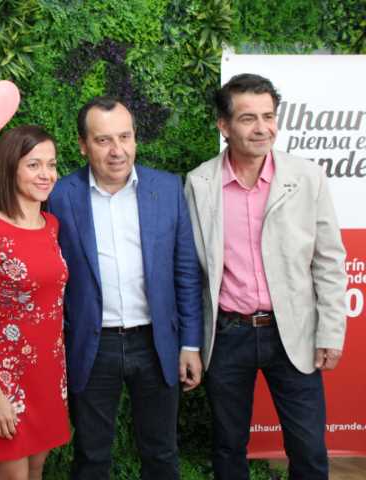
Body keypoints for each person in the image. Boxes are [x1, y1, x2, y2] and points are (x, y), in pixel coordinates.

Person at [184, 73, 347, 480]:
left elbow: (329, 260)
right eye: (248, 118)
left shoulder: (306, 177)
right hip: (227, 334)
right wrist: (190, 343)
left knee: (309, 450)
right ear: (223, 126)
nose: (262, 128)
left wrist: (330, 331)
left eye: (269, 116)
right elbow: (191, 271)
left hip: (292, 333)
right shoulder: (199, 183)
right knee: (228, 447)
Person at [48, 96, 203, 479]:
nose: (117, 150)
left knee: (161, 453)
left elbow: (185, 271)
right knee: (91, 456)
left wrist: (190, 344)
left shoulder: (167, 189)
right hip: (92, 343)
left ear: (135, 138)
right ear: (83, 145)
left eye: (125, 137)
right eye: (103, 140)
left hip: (155, 341)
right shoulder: (60, 196)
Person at [0, 125, 70, 479]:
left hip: (48, 374)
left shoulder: (51, 225)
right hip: (5, 380)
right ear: (10, 168)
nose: (46, 174)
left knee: (36, 470)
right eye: (34, 165)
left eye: (51, 164)